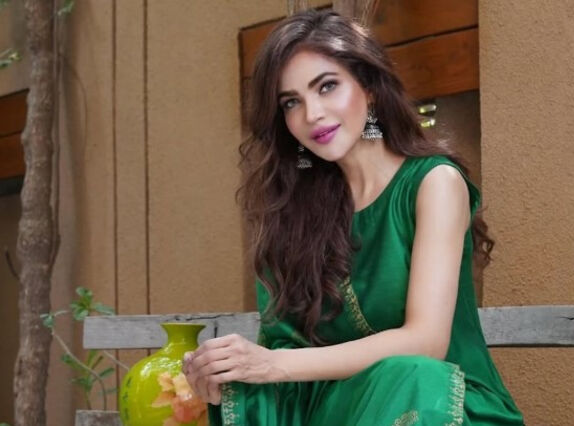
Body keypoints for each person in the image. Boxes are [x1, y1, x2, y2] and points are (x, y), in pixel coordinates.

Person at [183, 8, 524, 426]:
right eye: (291, 102)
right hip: (342, 409)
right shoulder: (294, 212)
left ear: (370, 87)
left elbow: (427, 341)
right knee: (244, 387)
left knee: (413, 373)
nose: (312, 114)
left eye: (327, 86)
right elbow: (283, 350)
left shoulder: (434, 183)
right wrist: (224, 370)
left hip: (439, 406)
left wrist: (271, 365)